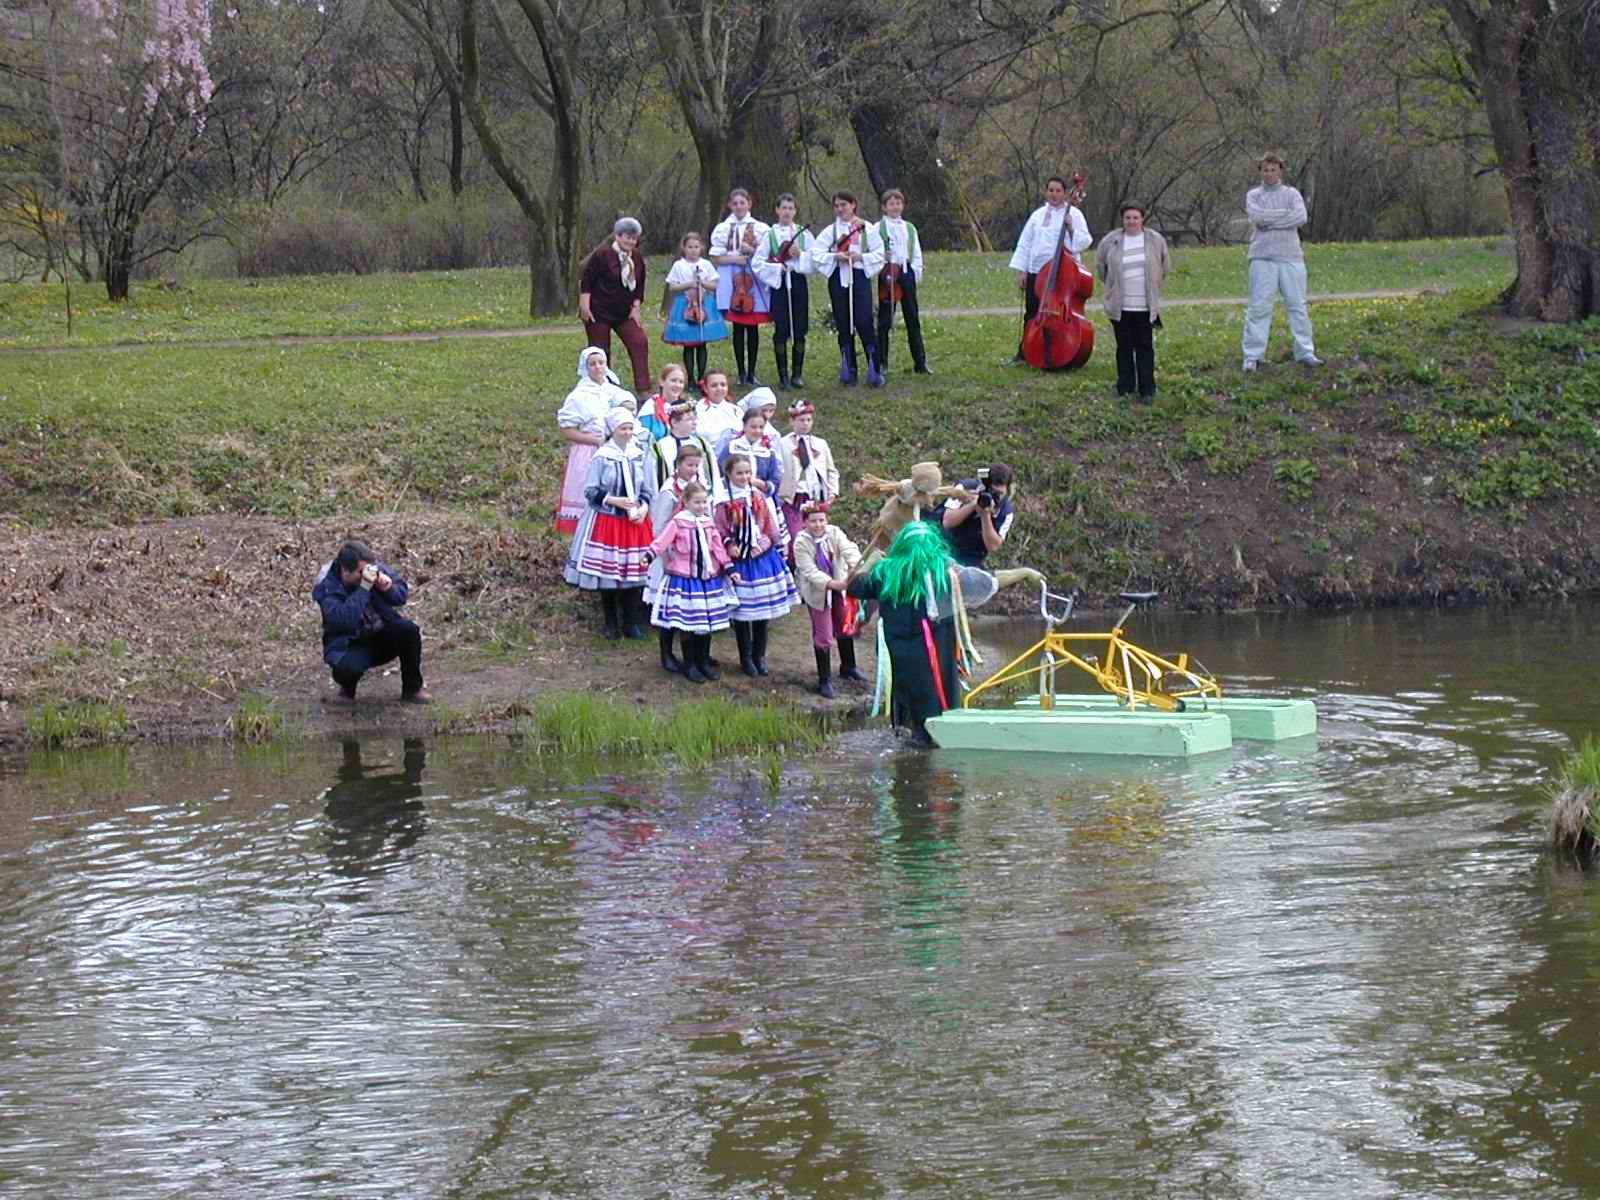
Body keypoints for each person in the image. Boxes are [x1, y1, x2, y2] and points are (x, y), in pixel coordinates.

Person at [846, 521, 960, 745]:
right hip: (934, 653)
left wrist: (870, 562)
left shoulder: (884, 573)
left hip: (898, 650)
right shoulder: (945, 573)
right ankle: (930, 741)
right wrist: (1021, 574)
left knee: (903, 696)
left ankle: (906, 734)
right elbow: (984, 583)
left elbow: (853, 587)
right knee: (935, 697)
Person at [564, 407, 656, 640]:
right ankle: (611, 622)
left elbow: (646, 487)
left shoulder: (638, 454)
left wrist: (644, 508)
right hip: (608, 520)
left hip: (634, 522)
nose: (627, 433)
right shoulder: (602, 456)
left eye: (630, 428)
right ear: (613, 430)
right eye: (623, 429)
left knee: (635, 572)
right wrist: (614, 500)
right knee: (609, 574)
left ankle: (631, 622)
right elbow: (590, 490)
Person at [313, 540, 431, 704]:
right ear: (345, 570)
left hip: (381, 635)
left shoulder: (372, 568)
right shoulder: (327, 587)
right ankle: (347, 689)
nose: (367, 574)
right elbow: (344, 620)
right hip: (349, 643)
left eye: (368, 570)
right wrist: (364, 588)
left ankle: (412, 689)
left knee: (408, 630)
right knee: (347, 667)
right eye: (360, 572)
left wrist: (388, 588)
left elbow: (401, 596)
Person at [646, 480, 735, 684]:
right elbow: (662, 542)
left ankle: (703, 661)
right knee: (688, 624)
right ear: (685, 502)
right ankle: (690, 664)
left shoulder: (708, 522)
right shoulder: (678, 522)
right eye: (697, 502)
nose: (701, 506)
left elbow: (718, 547)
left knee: (705, 623)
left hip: (707, 579)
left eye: (704, 502)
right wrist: (649, 555)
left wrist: (729, 567)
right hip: (685, 580)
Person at [716, 455, 798, 677]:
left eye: (747, 473)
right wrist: (729, 544)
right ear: (729, 474)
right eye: (739, 473)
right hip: (740, 561)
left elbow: (769, 524)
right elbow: (719, 529)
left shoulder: (758, 496)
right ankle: (745, 657)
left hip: (761, 558)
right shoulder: (723, 501)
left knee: (762, 612)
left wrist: (772, 542)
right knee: (743, 613)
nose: (744, 477)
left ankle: (759, 655)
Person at [1242, 152, 1322, 371]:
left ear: (1280, 171)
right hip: (1262, 257)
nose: (1269, 174)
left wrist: (1269, 220)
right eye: (1265, 170)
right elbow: (1257, 218)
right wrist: (1283, 217)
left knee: (1297, 306)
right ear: (1261, 172)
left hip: (1290, 258)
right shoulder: (1253, 195)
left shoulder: (1292, 194)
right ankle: (1252, 356)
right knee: (1259, 308)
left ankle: (1305, 352)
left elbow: (1300, 217)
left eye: (1273, 170)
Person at [1007, 176, 1092, 365]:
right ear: (1046, 192)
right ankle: (1026, 352)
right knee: (1033, 313)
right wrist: (1022, 270)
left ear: (1064, 193)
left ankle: (1059, 350)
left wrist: (1071, 228)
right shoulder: (1038, 215)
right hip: (1036, 271)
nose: (1054, 194)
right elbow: (1025, 243)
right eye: (1051, 190)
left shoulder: (1074, 214)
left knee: (1057, 315)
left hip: (1061, 273)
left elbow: (1085, 240)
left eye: (1058, 191)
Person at [556, 347, 636, 534]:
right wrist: (594, 439)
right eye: (592, 364)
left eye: (601, 363)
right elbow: (566, 429)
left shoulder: (613, 390)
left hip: (615, 451)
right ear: (586, 367)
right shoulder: (578, 396)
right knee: (590, 494)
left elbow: (629, 406)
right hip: (588, 452)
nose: (598, 367)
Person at [1096, 203, 1171, 402]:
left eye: (1135, 217)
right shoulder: (1111, 240)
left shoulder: (1155, 240)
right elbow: (1101, 267)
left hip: (1144, 306)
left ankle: (1147, 390)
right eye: (1128, 218)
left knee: (1145, 347)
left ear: (1142, 219)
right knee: (1124, 347)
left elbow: (1164, 266)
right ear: (1122, 219)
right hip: (1120, 306)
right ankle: (1125, 387)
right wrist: (1113, 287)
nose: (1131, 221)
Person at [811, 190, 885, 387]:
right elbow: (816, 253)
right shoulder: (831, 231)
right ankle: (849, 369)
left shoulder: (866, 228)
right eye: (836, 206)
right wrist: (836, 256)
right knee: (843, 323)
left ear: (853, 205)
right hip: (838, 279)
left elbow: (879, 253)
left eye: (843, 205)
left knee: (864, 321)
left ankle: (875, 368)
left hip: (859, 276)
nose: (840, 209)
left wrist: (861, 257)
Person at [792, 500, 866, 698]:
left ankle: (848, 666)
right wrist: (831, 583)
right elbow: (809, 570)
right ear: (805, 522)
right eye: (813, 521)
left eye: (821, 520)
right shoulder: (801, 542)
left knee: (844, 625)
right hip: (819, 591)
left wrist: (855, 564)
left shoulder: (834, 532)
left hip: (839, 586)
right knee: (824, 634)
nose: (818, 525)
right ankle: (824, 680)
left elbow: (849, 549)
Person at [647, 439, 709, 673]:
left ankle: (700, 655)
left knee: (693, 608)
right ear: (678, 464)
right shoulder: (669, 491)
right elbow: (659, 526)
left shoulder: (698, 487)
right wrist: (666, 559)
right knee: (671, 608)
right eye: (689, 465)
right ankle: (667, 654)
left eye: (696, 465)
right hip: (672, 557)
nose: (693, 469)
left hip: (695, 557)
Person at [578, 216, 651, 394]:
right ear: (618, 236)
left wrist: (636, 307)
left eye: (634, 238)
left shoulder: (636, 257)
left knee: (639, 341)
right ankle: (603, 389)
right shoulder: (603, 254)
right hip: (598, 311)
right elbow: (587, 279)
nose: (630, 241)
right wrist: (585, 305)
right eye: (627, 237)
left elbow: (640, 283)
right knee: (600, 352)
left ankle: (644, 389)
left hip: (624, 312)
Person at [710, 188, 772, 386]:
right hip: (732, 280)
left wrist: (752, 250)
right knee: (738, 326)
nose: (739, 207)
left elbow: (768, 254)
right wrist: (736, 259)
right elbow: (716, 257)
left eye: (742, 203)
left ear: (749, 204)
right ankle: (741, 372)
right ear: (730, 205)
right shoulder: (723, 228)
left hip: (753, 279)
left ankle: (752, 372)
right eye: (735, 203)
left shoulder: (760, 228)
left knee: (752, 327)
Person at [750, 193, 813, 390]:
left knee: (799, 328)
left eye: (790, 208)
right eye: (783, 208)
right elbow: (757, 263)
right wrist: (777, 268)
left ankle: (797, 374)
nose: (787, 212)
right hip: (779, 283)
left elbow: (815, 259)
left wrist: (800, 255)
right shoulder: (770, 235)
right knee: (782, 327)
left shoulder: (803, 234)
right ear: (777, 210)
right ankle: (783, 375)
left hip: (798, 281)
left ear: (795, 211)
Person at [660, 231, 728, 390]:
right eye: (690, 247)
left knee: (702, 344)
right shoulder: (679, 265)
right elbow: (673, 287)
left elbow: (715, 285)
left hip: (704, 304)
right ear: (684, 248)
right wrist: (689, 284)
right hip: (685, 304)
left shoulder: (706, 264)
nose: (693, 250)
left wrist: (702, 283)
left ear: (701, 248)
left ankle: (701, 378)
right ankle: (690, 378)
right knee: (689, 344)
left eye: (696, 247)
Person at [875, 188, 931, 377]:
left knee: (912, 317)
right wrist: (882, 258)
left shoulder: (909, 228)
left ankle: (920, 362)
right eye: (891, 204)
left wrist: (915, 273)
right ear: (884, 207)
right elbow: (873, 250)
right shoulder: (878, 228)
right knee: (885, 320)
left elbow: (916, 252)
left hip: (906, 273)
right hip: (888, 273)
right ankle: (881, 363)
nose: (895, 207)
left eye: (898, 203)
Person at [777, 398, 839, 555]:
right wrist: (781, 494)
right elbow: (777, 470)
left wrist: (832, 493)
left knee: (818, 534)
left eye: (808, 420)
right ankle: (796, 565)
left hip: (815, 496)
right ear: (792, 421)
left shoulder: (820, 444)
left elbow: (831, 471)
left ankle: (818, 565)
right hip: (793, 498)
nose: (805, 424)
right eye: (801, 420)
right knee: (796, 535)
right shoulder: (782, 444)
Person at [940, 462, 1015, 568]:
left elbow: (993, 546)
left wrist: (985, 516)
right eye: (992, 491)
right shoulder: (964, 488)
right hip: (943, 543)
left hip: (971, 556)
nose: (994, 496)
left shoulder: (1006, 511)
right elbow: (947, 521)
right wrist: (973, 504)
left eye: (999, 494)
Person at [649, 396, 723, 500]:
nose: (694, 422)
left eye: (694, 418)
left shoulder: (702, 444)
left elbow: (714, 475)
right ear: (674, 422)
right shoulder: (660, 448)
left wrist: (717, 500)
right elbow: (651, 481)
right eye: (689, 419)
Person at [639, 362, 691, 443]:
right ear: (662, 382)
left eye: (681, 382)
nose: (677, 385)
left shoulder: (687, 407)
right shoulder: (651, 407)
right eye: (673, 380)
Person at [695, 368, 743, 448]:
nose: (719, 388)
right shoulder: (698, 410)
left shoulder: (736, 410)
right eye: (714, 385)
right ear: (705, 389)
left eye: (723, 385)